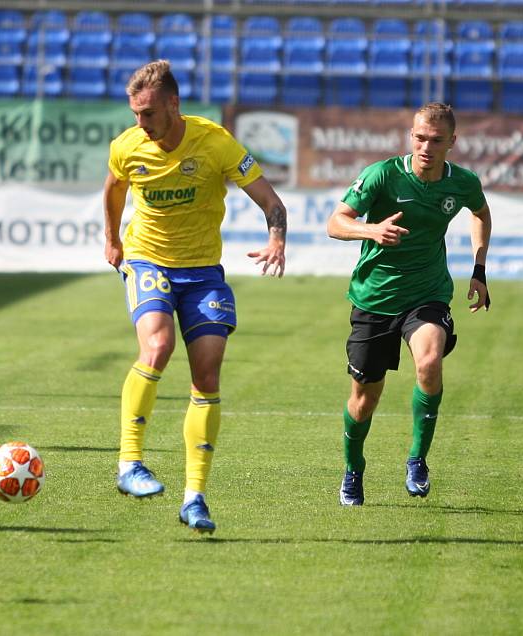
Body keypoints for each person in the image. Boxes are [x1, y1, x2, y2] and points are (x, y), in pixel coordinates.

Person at [103, 60, 287, 533]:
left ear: (173, 104)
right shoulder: (127, 147)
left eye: (147, 113)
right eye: (134, 113)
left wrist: (276, 239)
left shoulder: (216, 143)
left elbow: (271, 202)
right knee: (158, 346)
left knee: (207, 377)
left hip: (203, 273)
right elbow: (114, 188)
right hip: (147, 261)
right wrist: (112, 238)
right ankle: (129, 464)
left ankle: (194, 498)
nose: (139, 123)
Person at [326, 102, 492, 505]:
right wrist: (372, 230)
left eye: (436, 140)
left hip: (427, 294)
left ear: (452, 142)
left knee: (429, 361)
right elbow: (335, 223)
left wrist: (479, 268)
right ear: (410, 136)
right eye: (420, 138)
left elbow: (481, 213)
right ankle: (353, 468)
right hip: (375, 298)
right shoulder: (381, 175)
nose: (426, 147)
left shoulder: (462, 182)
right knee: (364, 400)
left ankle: (417, 458)